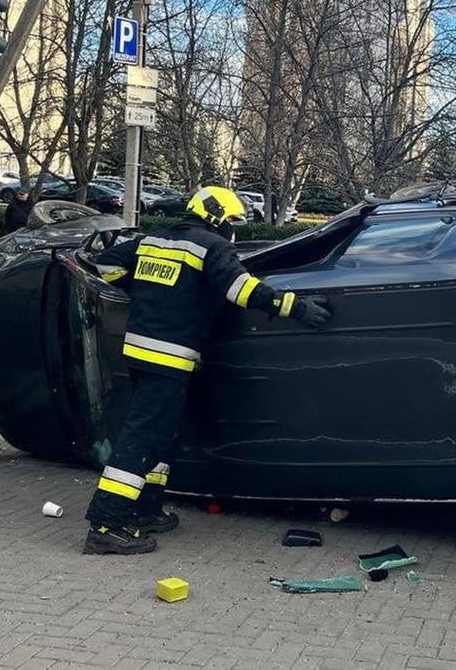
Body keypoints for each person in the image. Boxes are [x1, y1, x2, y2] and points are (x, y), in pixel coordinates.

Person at [82, 186, 333, 555]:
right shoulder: (211, 246)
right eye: (232, 222)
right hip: (170, 358)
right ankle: (107, 523)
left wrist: (151, 292)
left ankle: (146, 509)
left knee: (161, 436)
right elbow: (241, 290)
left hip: (139, 352)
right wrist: (295, 307)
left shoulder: (153, 239)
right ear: (217, 217)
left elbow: (106, 265)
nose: (233, 231)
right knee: (144, 438)